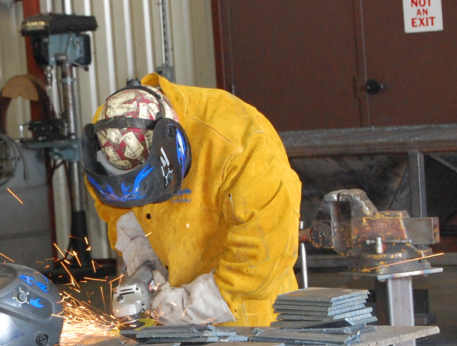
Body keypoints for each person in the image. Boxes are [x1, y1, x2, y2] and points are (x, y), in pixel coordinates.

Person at [83, 73, 301, 326]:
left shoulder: (241, 140)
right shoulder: (113, 129)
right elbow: (118, 211)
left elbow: (263, 256)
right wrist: (144, 263)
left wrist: (187, 307)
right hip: (166, 320)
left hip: (249, 320)